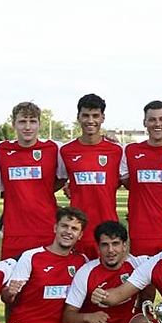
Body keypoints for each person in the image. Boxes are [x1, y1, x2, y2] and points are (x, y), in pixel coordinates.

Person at [3, 207, 98, 323]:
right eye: (64, 225)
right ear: (55, 228)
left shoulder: (82, 261)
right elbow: (8, 296)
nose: (68, 231)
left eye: (74, 228)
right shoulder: (31, 256)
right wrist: (9, 293)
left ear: (80, 235)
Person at [64, 221, 155, 323]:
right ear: (98, 247)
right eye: (105, 245)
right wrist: (88, 317)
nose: (110, 250)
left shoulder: (137, 263)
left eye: (115, 244)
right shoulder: (87, 271)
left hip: (127, 318)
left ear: (125, 245)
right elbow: (68, 315)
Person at [0, 101, 65, 260]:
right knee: (12, 282)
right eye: (22, 121)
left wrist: (40, 192)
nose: (28, 127)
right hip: (14, 231)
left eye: (33, 121)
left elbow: (63, 177)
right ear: (13, 124)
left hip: (46, 228)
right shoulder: (0, 149)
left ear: (39, 124)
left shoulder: (54, 148)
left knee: (45, 280)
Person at [57, 94, 123, 259]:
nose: (90, 120)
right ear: (78, 117)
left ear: (103, 118)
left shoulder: (117, 151)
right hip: (77, 229)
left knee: (108, 281)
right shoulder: (66, 151)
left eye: (95, 116)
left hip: (108, 230)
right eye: (85, 115)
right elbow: (57, 181)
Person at [121, 100, 162, 257]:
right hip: (141, 232)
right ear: (145, 122)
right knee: (143, 280)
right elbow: (126, 181)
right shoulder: (130, 151)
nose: (157, 124)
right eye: (152, 119)